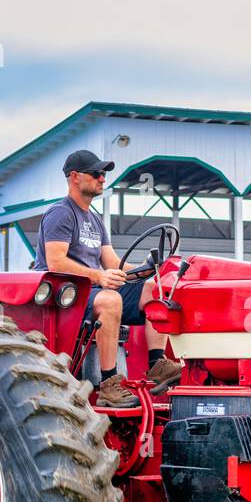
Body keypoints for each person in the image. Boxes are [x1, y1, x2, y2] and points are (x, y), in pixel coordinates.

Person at [34, 149, 182, 408]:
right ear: (75, 177)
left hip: (93, 289)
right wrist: (98, 276)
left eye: (103, 174)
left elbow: (113, 264)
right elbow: (55, 261)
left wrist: (147, 269)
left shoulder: (95, 220)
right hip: (65, 295)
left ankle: (157, 364)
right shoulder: (61, 213)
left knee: (155, 290)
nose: (102, 178)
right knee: (111, 300)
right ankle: (109, 384)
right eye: (96, 173)